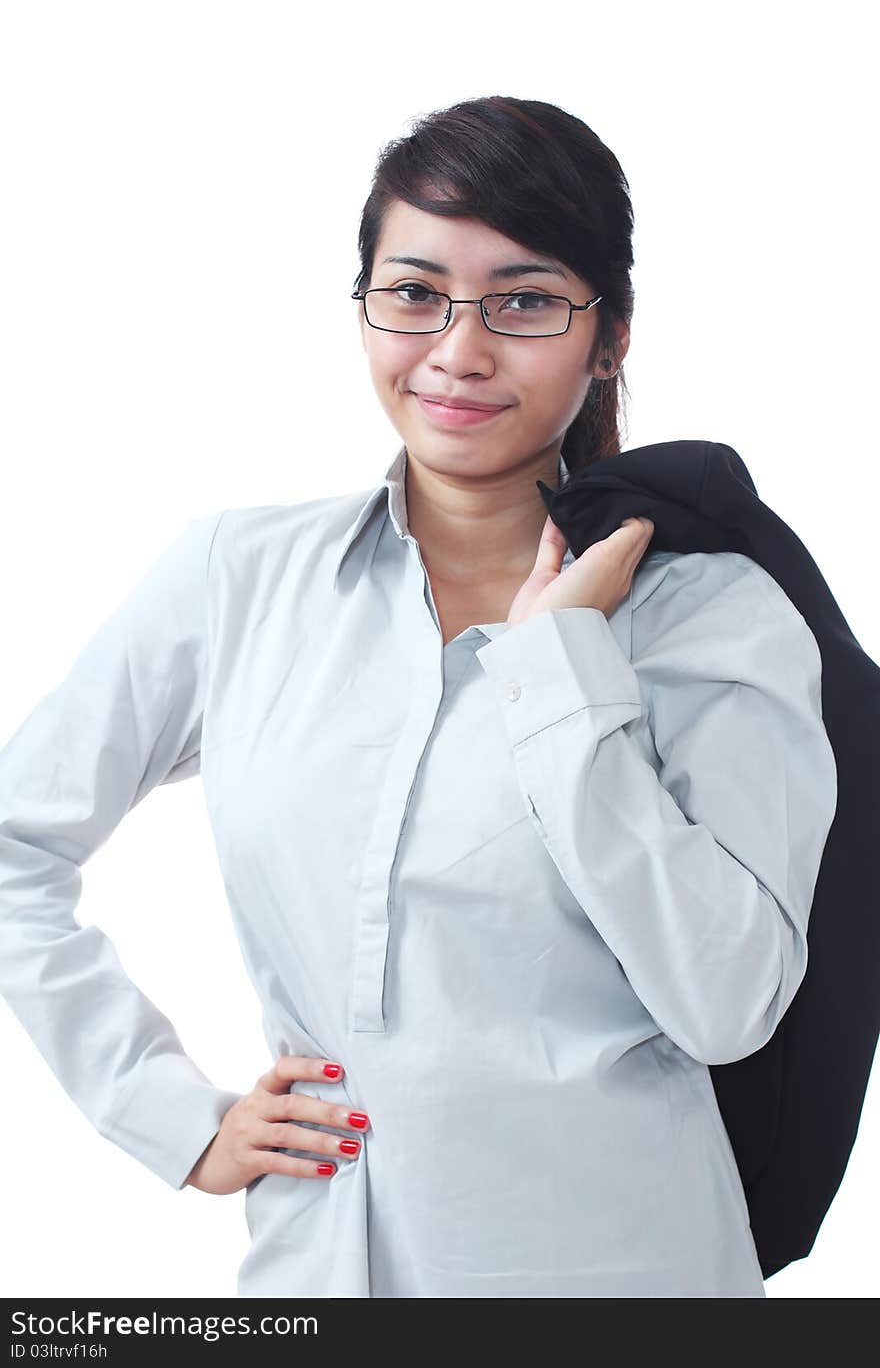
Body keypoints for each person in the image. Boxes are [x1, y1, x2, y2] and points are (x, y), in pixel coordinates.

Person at [0, 95, 838, 1298]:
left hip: (631, 1271)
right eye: (412, 293)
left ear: (611, 336)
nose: (456, 351)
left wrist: (559, 670)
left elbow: (728, 1002)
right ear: (364, 308)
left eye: (524, 301)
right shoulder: (238, 580)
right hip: (319, 1273)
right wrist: (169, 1113)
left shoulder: (715, 617)